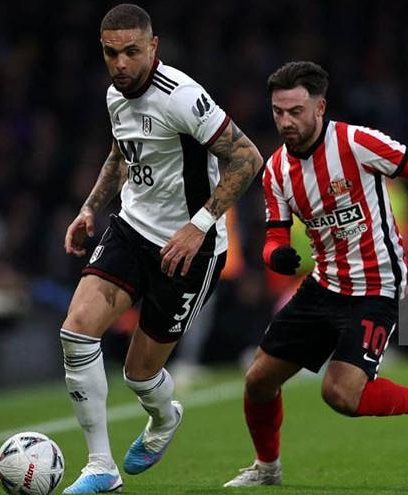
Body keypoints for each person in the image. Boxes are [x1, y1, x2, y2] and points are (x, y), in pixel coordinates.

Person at [223, 61, 408, 487]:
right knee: (258, 381)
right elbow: (273, 237)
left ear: (320, 107)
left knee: (340, 395)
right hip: (324, 283)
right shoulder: (275, 170)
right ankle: (267, 468)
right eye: (278, 112)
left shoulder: (354, 142)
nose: (286, 122)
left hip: (377, 285)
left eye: (295, 111)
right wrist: (277, 256)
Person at [60, 4, 263, 493]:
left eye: (132, 51)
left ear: (154, 47)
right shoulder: (116, 95)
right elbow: (120, 153)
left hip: (189, 250)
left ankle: (165, 416)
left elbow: (247, 157)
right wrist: (90, 207)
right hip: (132, 229)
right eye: (112, 53)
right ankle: (101, 468)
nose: (121, 64)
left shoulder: (183, 97)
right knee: (76, 333)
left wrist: (198, 225)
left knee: (139, 374)